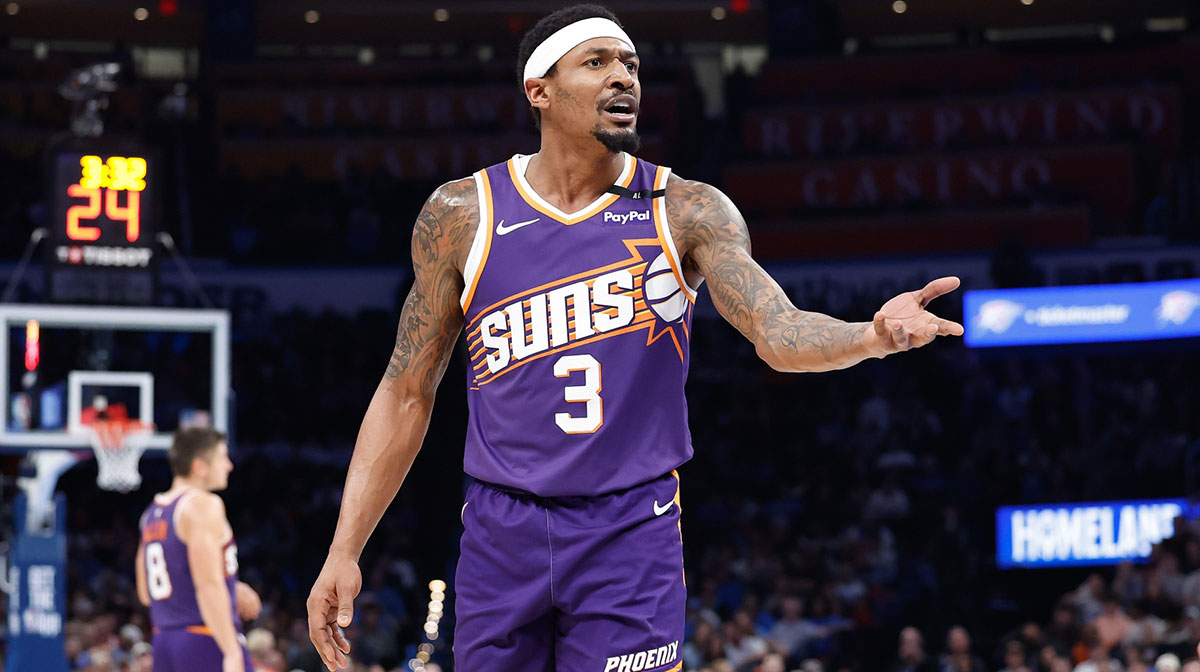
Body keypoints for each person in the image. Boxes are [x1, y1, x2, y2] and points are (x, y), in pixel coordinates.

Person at [306, 5, 964, 671]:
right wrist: (344, 548)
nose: (623, 78)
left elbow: (778, 331)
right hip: (500, 530)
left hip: (629, 529)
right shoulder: (461, 214)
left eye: (630, 65)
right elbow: (408, 389)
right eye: (597, 63)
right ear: (539, 90)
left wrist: (871, 335)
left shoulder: (685, 210)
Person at [136, 428, 262, 672]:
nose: (229, 466)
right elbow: (208, 585)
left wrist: (230, 587)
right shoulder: (202, 505)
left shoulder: (150, 513)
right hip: (204, 637)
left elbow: (145, 592)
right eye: (222, 458)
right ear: (199, 467)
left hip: (164, 641)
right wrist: (231, 650)